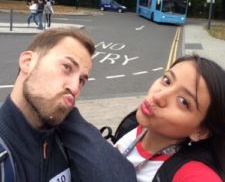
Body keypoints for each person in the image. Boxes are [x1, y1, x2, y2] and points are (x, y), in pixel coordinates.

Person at [0, 27, 137, 182]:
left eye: (81, 81)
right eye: (67, 67)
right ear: (28, 62)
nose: (74, 88)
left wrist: (70, 119)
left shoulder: (67, 142)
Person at [115, 55, 225, 181]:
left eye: (183, 101)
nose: (158, 97)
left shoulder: (190, 172)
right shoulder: (133, 125)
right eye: (167, 81)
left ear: (201, 131)